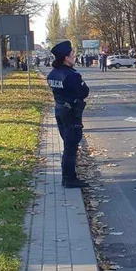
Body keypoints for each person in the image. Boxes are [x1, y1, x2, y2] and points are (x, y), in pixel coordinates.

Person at [47, 41, 90, 188]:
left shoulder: (53, 73)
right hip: (72, 113)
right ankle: (69, 179)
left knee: (68, 145)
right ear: (66, 58)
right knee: (71, 147)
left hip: (60, 111)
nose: (74, 56)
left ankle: (68, 177)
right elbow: (84, 92)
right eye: (72, 54)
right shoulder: (71, 75)